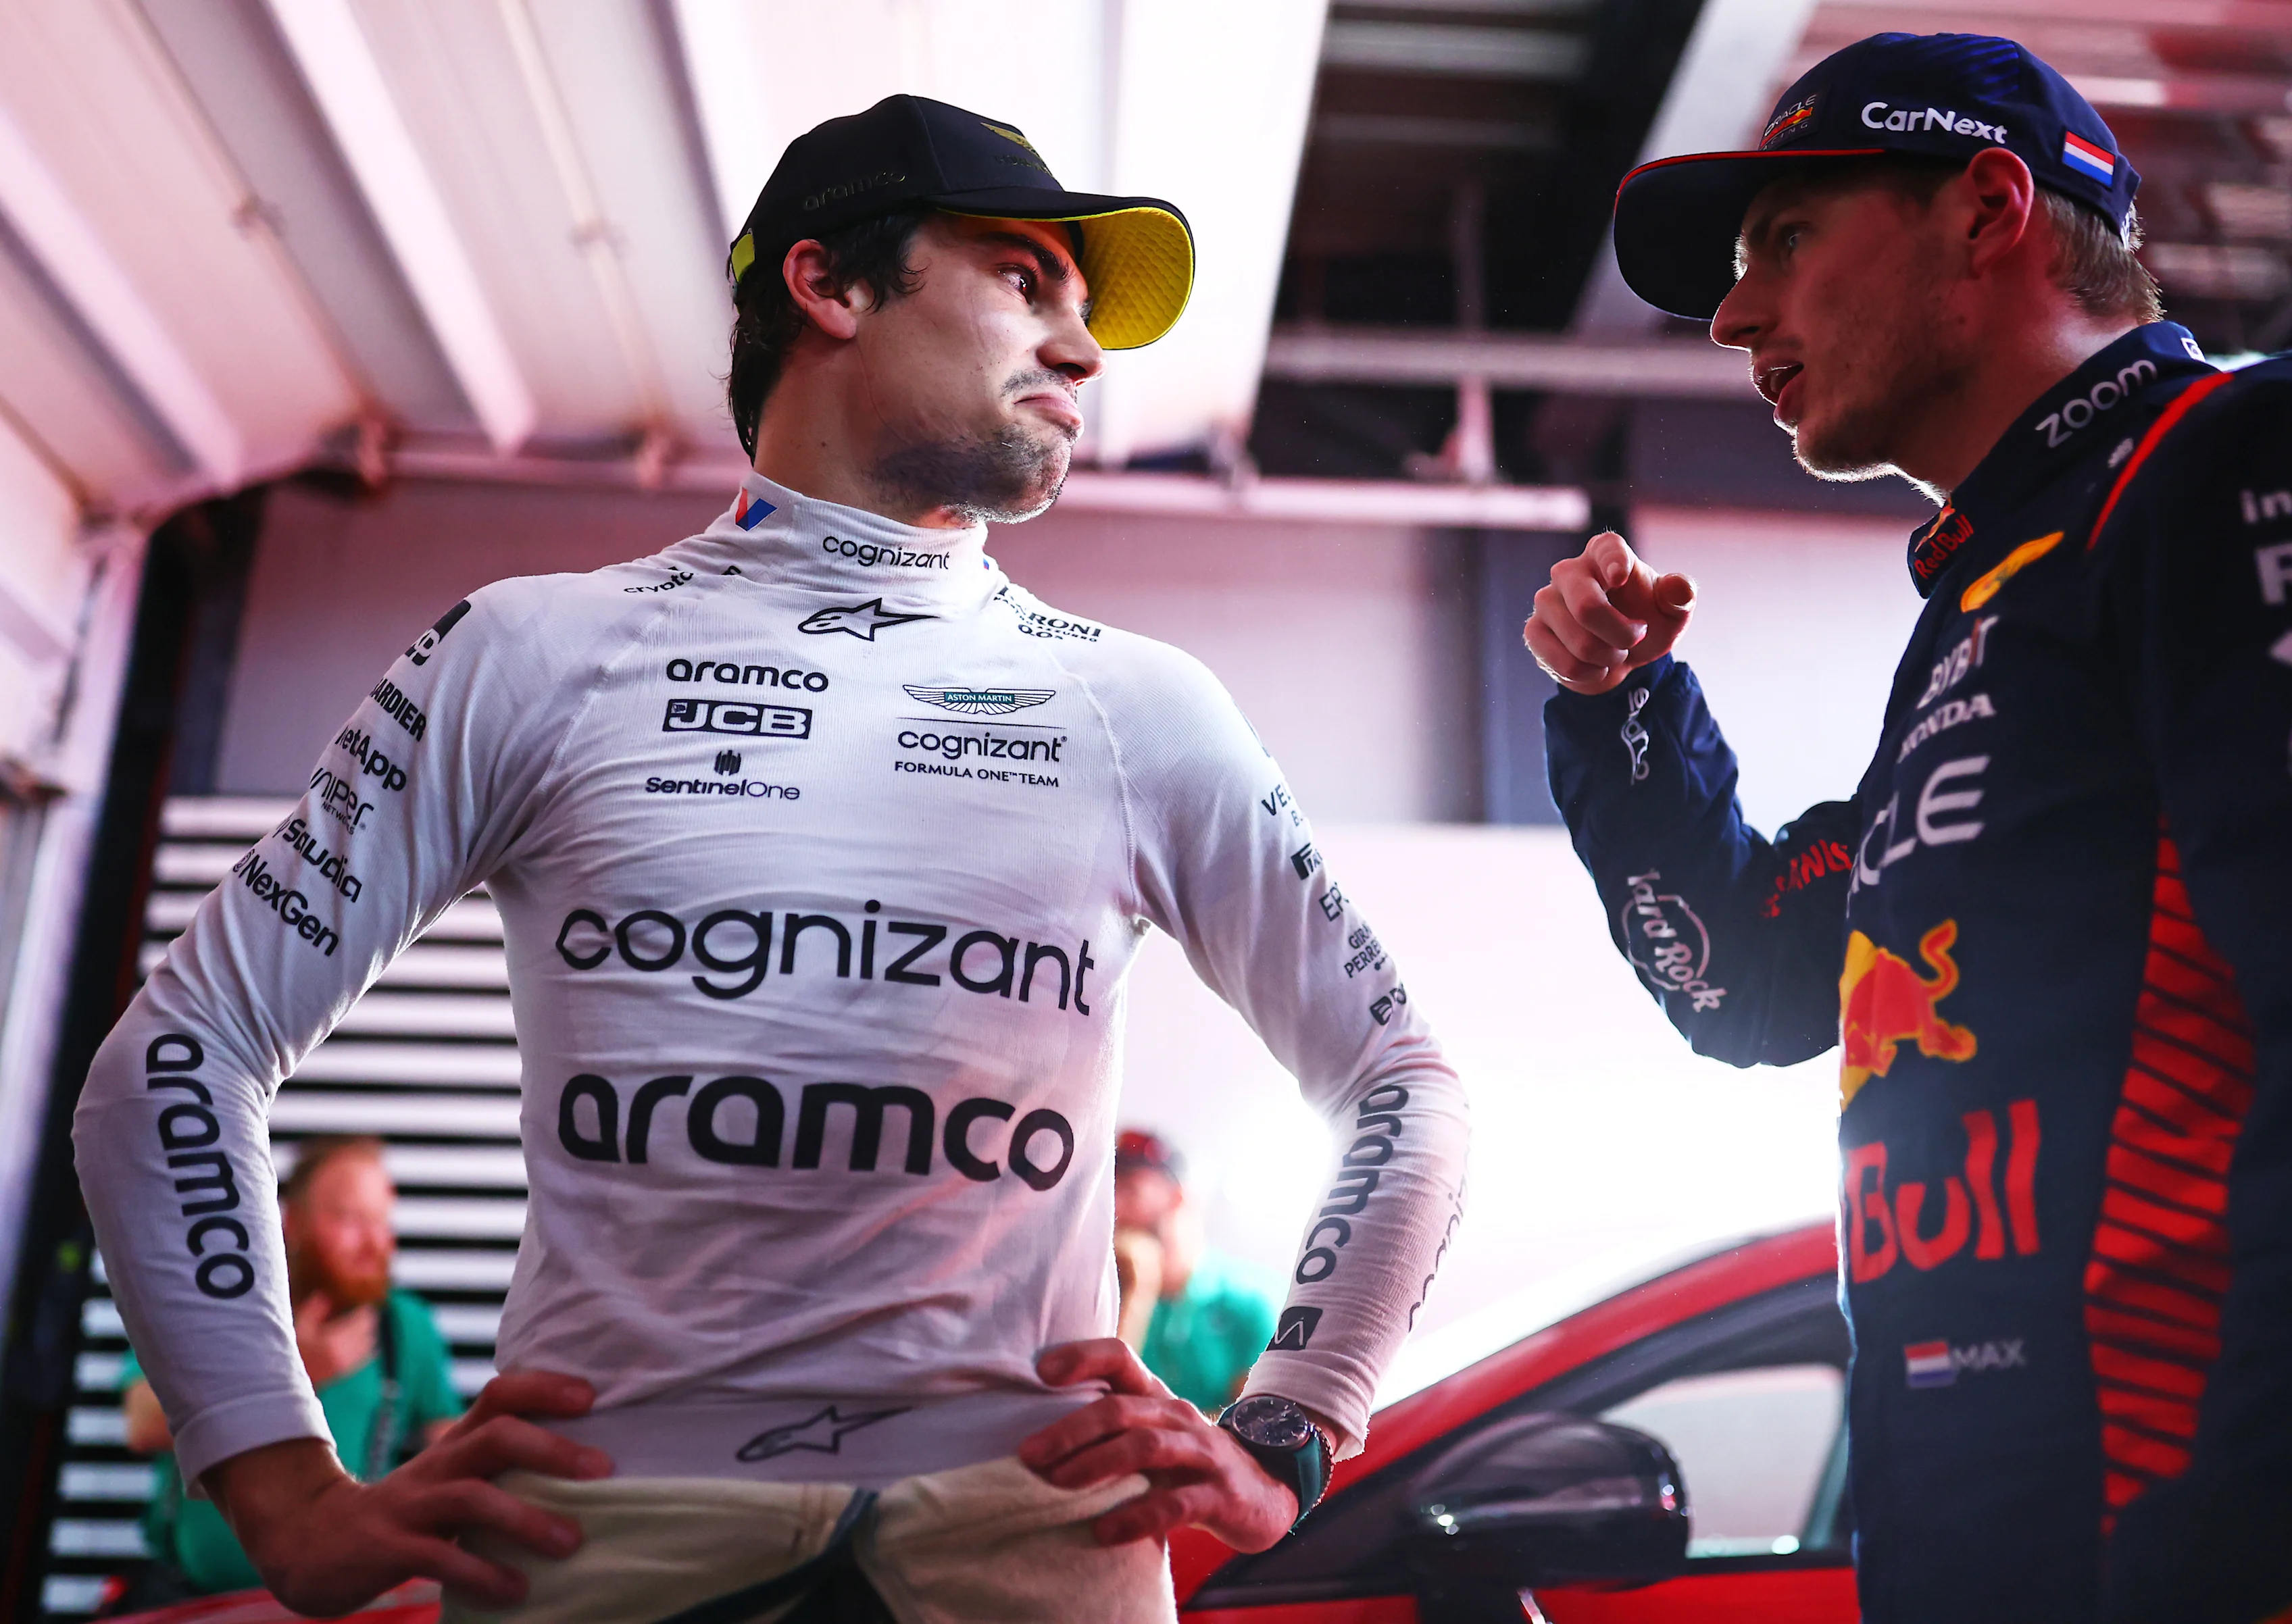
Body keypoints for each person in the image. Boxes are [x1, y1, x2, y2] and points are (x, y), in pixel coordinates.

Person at [73, 94, 1468, 1624]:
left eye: (1085, 311)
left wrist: (1289, 1422)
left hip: (1029, 1531)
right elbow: (178, 1056)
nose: (1080, 350)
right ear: (828, 284)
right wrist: (277, 1485)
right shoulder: (530, 652)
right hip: (599, 1533)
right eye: (1022, 279)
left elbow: (1403, 1082)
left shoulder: (1142, 704)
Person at [1524, 29, 2292, 1624]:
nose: (1732, 315)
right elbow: (1751, 976)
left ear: (1988, 205)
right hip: (1982, 1539)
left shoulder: (2224, 463)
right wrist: (1619, 713)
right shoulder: (1993, 603)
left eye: (1785, 240)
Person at [115, 1136, 461, 1602]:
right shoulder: (207, 1305)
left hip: (341, 1608)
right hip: (189, 1603)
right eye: (349, 1218)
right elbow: (144, 1425)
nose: (374, 1242)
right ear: (292, 1221)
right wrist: (289, 1371)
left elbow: (450, 1454)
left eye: (381, 1220)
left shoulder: (405, 1328)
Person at [1110, 1130, 1281, 1414]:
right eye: (1110, 1191)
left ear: (1177, 1198)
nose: (1115, 1207)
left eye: (1130, 1189)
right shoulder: (1108, 1297)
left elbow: (1259, 1426)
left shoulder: (1248, 1304)